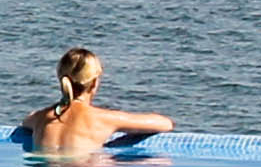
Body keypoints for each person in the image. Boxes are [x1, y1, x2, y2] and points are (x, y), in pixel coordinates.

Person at [18, 47, 173, 157]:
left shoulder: (41, 118)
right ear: (94, 83)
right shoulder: (104, 119)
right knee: (160, 162)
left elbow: (26, 120)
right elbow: (165, 124)